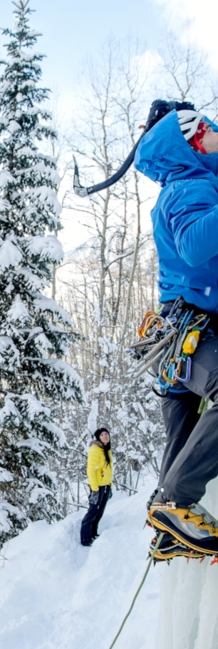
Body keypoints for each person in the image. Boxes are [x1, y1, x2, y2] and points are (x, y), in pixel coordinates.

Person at [134, 106, 218, 556]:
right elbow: (195, 244)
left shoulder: (191, 183)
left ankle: (169, 526)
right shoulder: (190, 185)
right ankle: (175, 503)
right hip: (196, 332)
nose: (213, 134)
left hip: (181, 339)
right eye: (204, 130)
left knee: (182, 435)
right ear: (188, 143)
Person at [80, 428, 113, 547]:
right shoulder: (95, 449)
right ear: (98, 437)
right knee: (93, 511)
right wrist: (94, 489)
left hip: (105, 486)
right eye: (102, 435)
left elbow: (108, 470)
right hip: (97, 487)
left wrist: (110, 486)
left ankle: (93, 533)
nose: (105, 436)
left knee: (99, 512)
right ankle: (85, 538)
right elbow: (91, 470)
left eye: (106, 434)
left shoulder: (106, 450)